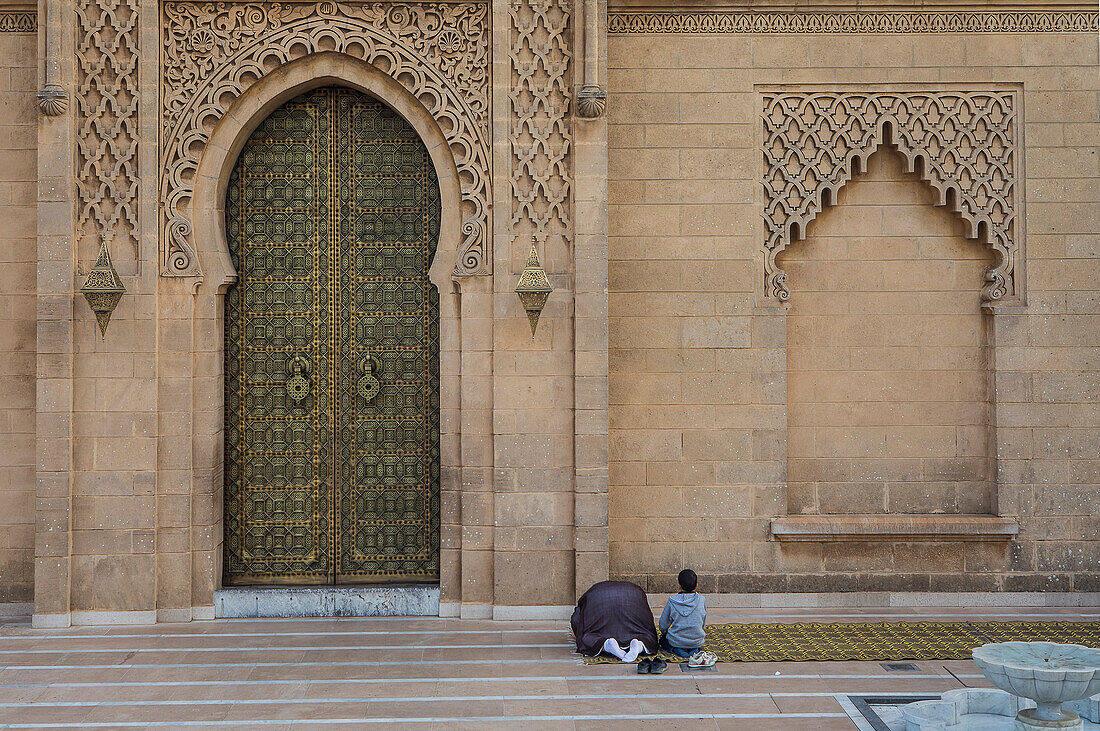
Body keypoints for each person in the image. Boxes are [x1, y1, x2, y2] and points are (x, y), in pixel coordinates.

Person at [571, 580, 661, 668]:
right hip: (634, 618)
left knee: (588, 638)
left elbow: (575, 619)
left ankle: (606, 644)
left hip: (602, 622)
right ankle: (639, 645)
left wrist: (578, 630)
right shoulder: (636, 591)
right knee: (650, 639)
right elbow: (647, 618)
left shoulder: (592, 593)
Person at [658, 569, 717, 668]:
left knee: (662, 640)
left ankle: (677, 650)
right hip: (696, 641)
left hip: (676, 641)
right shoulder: (702, 600)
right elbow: (702, 621)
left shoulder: (672, 601)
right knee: (695, 643)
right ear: (696, 585)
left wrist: (664, 633)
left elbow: (663, 625)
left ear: (679, 585)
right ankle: (694, 651)